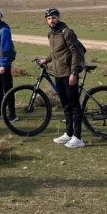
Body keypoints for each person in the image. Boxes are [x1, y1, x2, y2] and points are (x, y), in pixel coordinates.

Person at [41, 8, 85, 149]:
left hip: (68, 73)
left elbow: (75, 52)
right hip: (58, 73)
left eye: (53, 18)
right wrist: (46, 60)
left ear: (58, 18)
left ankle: (78, 138)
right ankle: (69, 133)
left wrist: (73, 72)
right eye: (48, 18)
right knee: (65, 105)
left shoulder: (67, 32)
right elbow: (56, 52)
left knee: (74, 105)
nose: (51, 20)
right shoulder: (52, 34)